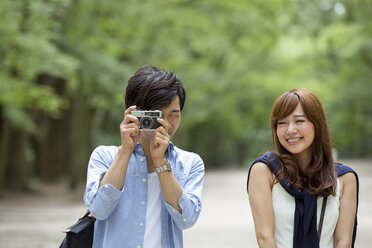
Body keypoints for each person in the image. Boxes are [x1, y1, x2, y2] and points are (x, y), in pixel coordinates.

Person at [84, 65, 205, 248]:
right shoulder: (104, 156)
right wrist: (125, 151)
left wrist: (161, 162)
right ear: (134, 113)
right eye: (156, 115)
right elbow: (99, 210)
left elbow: (187, 219)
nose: (165, 123)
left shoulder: (190, 162)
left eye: (174, 114)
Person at [246, 88, 359, 248]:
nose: (290, 130)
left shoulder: (344, 178)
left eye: (299, 121)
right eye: (282, 123)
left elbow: (343, 242)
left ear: (317, 124)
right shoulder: (265, 171)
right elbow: (265, 238)